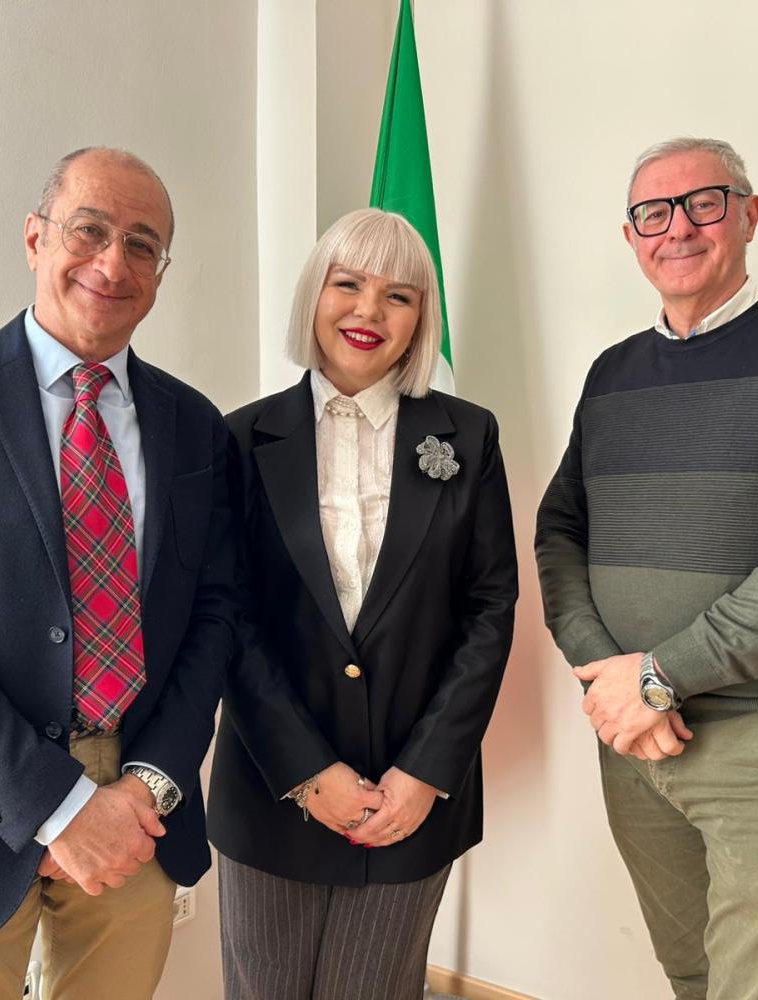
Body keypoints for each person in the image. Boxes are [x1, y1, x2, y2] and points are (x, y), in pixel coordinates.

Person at [0, 146, 236, 998]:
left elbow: (212, 621)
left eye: (142, 245)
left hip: (138, 815)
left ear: (161, 273)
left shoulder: (197, 428)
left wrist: (148, 786)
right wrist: (58, 810)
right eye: (88, 230)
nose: (112, 264)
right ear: (34, 238)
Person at [536, 137, 758, 1000]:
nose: (677, 228)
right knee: (691, 976)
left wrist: (660, 676)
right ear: (630, 236)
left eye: (703, 202)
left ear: (748, 214)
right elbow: (560, 534)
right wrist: (609, 677)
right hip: (631, 736)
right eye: (652, 213)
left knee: (757, 990)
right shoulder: (611, 373)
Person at [208, 208, 518, 1000]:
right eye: (347, 285)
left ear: (420, 319)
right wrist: (308, 773)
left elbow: (489, 609)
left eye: (398, 295)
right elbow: (228, 619)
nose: (368, 311)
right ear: (313, 294)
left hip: (410, 797)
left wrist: (426, 771)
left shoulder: (468, 436)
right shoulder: (238, 439)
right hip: (272, 788)